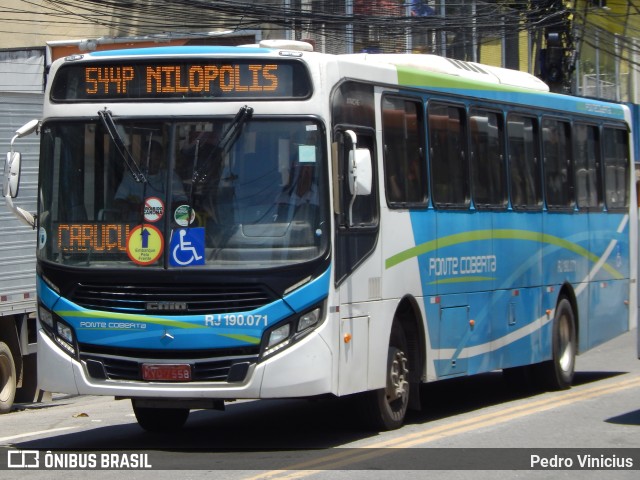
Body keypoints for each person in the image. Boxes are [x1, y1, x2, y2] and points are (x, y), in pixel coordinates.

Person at [114, 140, 187, 219]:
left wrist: (160, 207)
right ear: (141, 158)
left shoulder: (171, 177)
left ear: (161, 160)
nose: (150, 163)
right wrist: (137, 207)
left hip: (166, 228)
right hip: (137, 227)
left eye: (155, 159)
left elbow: (183, 203)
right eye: (147, 158)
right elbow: (118, 201)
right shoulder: (131, 177)